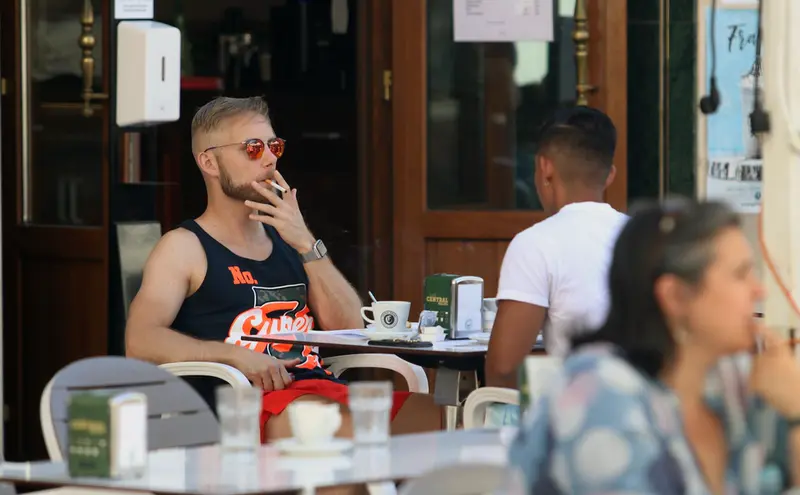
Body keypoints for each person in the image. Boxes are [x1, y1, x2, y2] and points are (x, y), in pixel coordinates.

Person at [125, 96, 441, 440]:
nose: (270, 157)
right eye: (252, 148)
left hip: (318, 391)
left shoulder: (292, 240)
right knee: (343, 432)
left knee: (444, 421)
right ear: (209, 162)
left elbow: (349, 329)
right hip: (247, 405)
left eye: (274, 146)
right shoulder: (185, 247)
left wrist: (307, 244)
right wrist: (233, 355)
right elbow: (140, 339)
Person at [509, 200, 800, 494]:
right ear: (675, 297)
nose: (759, 290)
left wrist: (796, 408)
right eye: (740, 274)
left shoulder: (729, 380)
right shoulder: (602, 393)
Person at [486, 106, 628, 390]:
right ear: (609, 175)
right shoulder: (640, 236)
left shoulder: (536, 243)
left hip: (576, 418)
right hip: (646, 415)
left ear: (545, 168)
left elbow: (503, 368)